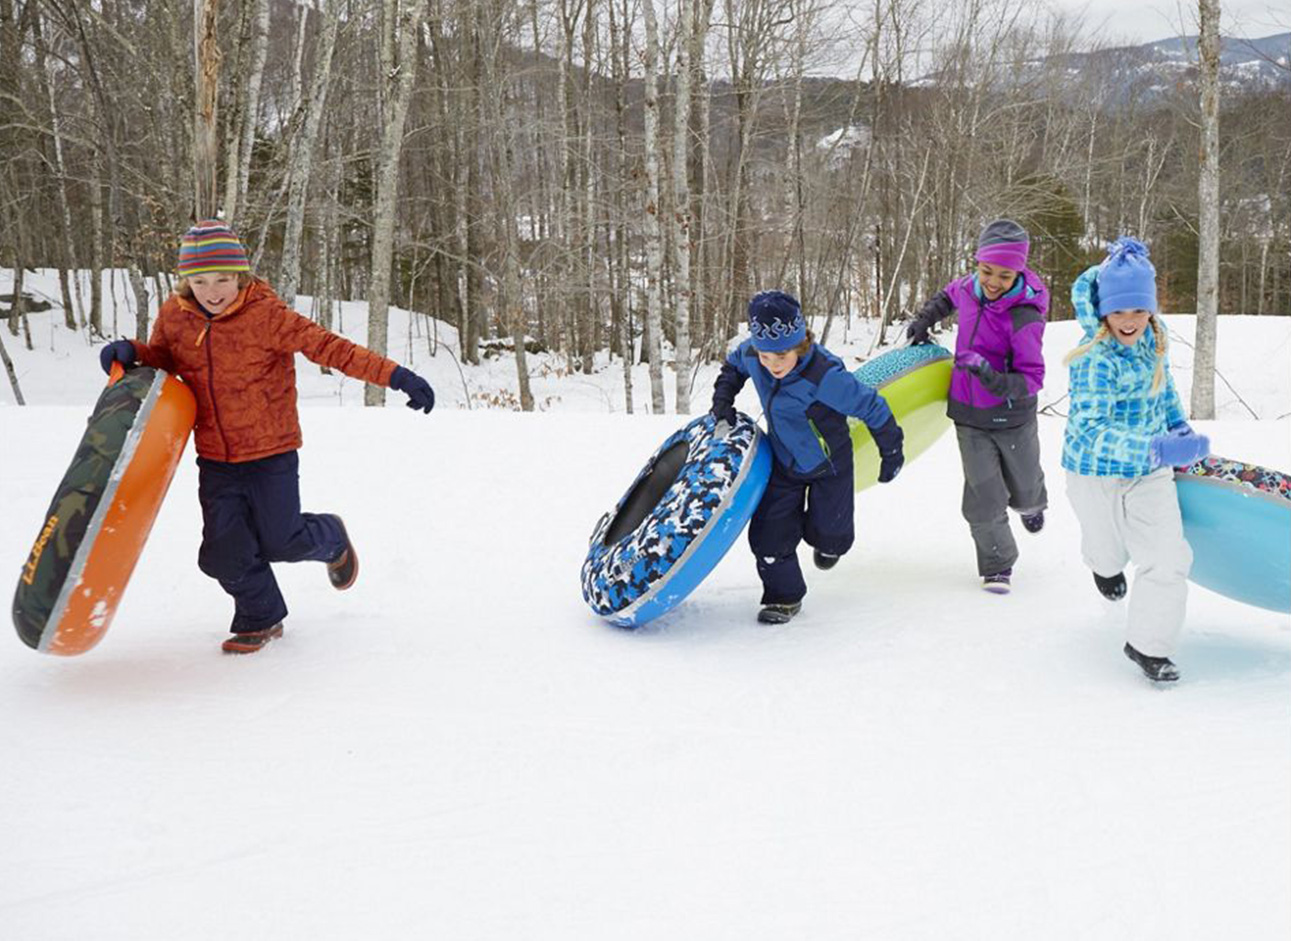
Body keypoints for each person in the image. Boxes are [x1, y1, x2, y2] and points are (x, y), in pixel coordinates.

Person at [97, 220, 435, 654]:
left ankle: (330, 536)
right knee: (222, 553)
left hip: (271, 451)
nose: (212, 291)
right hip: (216, 457)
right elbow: (164, 357)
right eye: (200, 281)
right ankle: (260, 615)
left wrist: (396, 376)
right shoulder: (175, 317)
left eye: (222, 279)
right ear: (186, 282)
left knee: (282, 540)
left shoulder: (267, 316)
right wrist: (133, 352)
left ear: (241, 275)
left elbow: (331, 348)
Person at [1062, 237, 1208, 682]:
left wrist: (1178, 429)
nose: (1131, 321)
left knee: (1169, 557)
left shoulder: (1153, 346)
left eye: (1140, 310)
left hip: (1148, 476)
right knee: (1107, 553)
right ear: (1104, 312)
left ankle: (1149, 646)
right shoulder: (1094, 361)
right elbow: (1090, 431)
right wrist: (1156, 447)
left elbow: (1162, 395)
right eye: (1121, 311)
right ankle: (1103, 569)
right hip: (1095, 475)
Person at [710, 290, 904, 624]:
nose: (772, 365)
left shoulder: (825, 376)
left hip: (830, 465)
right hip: (783, 462)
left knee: (831, 535)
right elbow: (733, 367)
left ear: (800, 343)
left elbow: (872, 407)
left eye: (781, 356)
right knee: (768, 536)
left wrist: (891, 451)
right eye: (765, 355)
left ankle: (826, 540)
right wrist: (723, 401)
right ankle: (783, 596)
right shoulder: (755, 356)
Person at [905, 219, 1049, 594]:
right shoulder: (970, 287)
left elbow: (1033, 376)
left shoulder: (1024, 317)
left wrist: (995, 380)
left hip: (1013, 417)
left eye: (1004, 274)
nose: (992, 281)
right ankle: (998, 563)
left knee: (1025, 483)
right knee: (983, 495)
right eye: (986, 270)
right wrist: (925, 319)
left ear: (1018, 272)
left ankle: (1033, 504)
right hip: (969, 416)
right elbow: (948, 296)